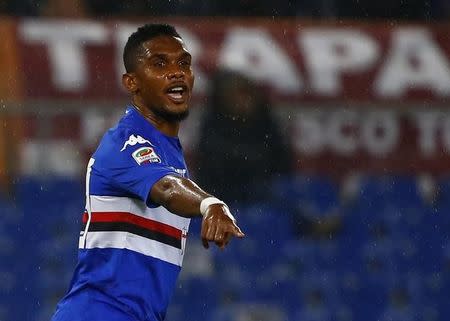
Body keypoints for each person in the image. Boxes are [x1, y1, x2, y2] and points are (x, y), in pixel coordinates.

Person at [50, 23, 245, 321]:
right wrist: (210, 204)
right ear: (132, 83)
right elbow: (167, 189)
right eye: (159, 64)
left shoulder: (171, 155)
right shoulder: (125, 142)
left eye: (183, 63)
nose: (177, 71)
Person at [196, 69, 292, 204]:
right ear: (223, 100)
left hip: (267, 191)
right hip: (226, 194)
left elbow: (281, 161)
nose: (242, 101)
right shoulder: (213, 126)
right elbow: (216, 167)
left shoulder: (265, 121)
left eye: (245, 94)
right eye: (234, 96)